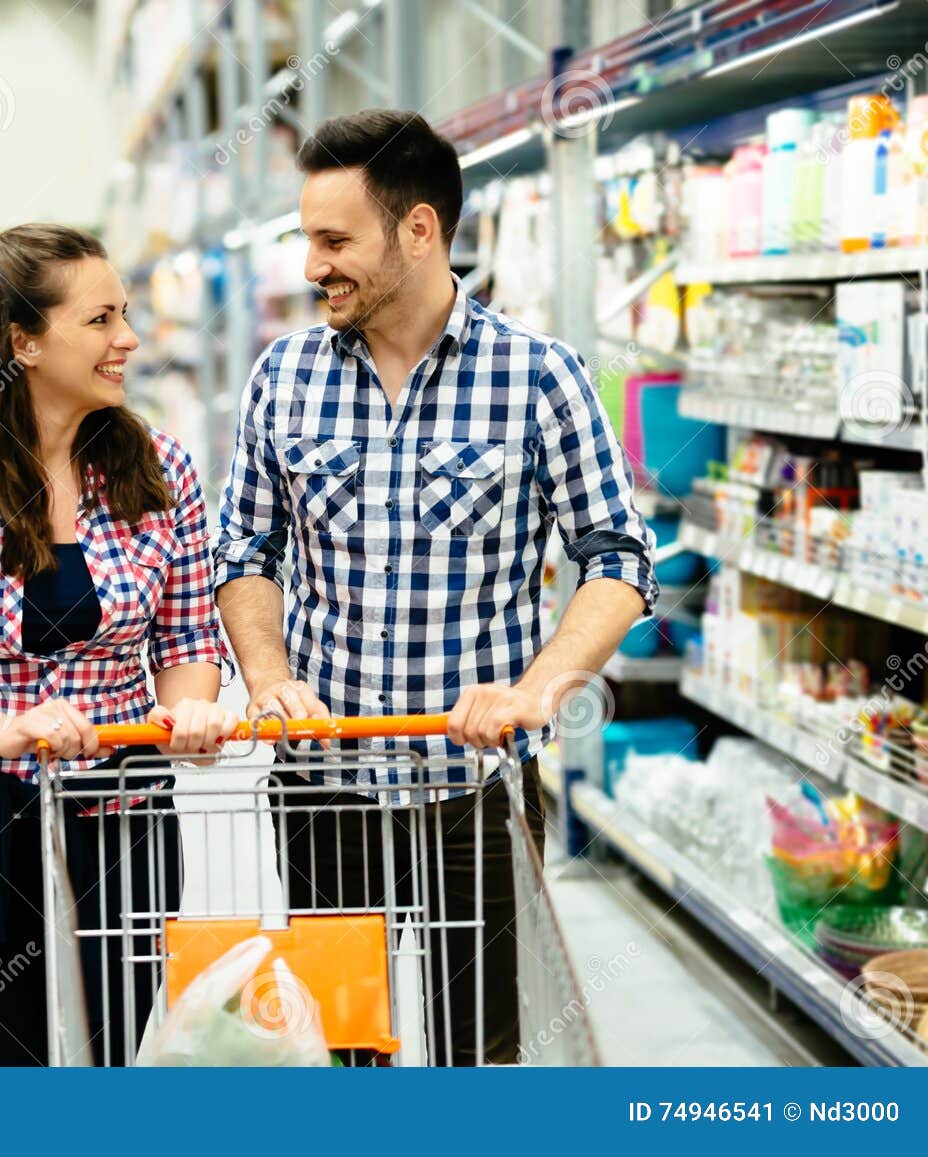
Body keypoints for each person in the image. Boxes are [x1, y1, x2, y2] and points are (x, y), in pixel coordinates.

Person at [215, 110, 657, 1065]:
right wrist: (264, 675)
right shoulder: (280, 378)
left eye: (334, 240)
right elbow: (244, 550)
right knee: (342, 1049)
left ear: (418, 230)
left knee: (480, 1057)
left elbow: (619, 559)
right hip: (322, 788)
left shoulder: (540, 378)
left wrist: (536, 692)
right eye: (307, 238)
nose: (310, 265)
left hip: (476, 793)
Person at [0, 224, 238, 1067]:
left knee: (98, 1074)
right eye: (101, 320)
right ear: (23, 341)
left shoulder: (161, 469)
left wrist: (190, 711)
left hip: (121, 825)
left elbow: (188, 636)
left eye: (126, 315)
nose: (128, 339)